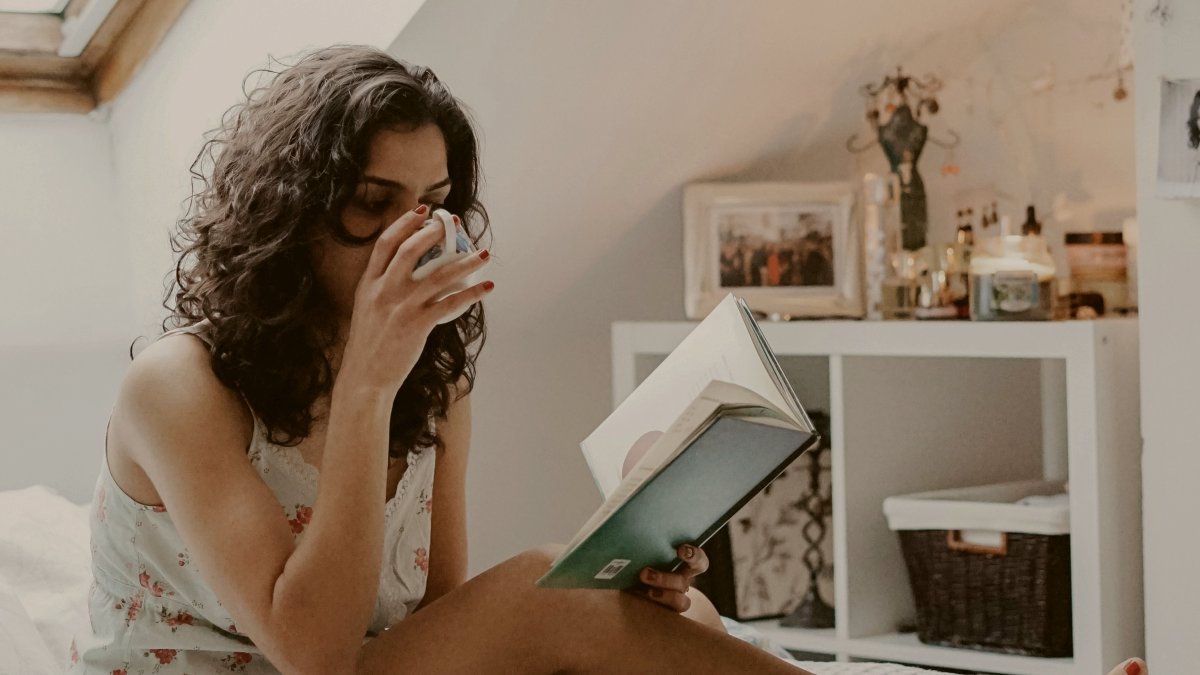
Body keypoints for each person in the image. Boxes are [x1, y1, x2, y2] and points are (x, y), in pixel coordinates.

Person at [67, 45, 811, 675]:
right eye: (372, 201)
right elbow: (313, 651)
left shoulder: (436, 377)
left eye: (433, 203)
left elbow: (442, 621)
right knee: (544, 590)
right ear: (289, 210)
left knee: (685, 615)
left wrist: (633, 587)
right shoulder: (178, 386)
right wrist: (366, 382)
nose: (413, 236)